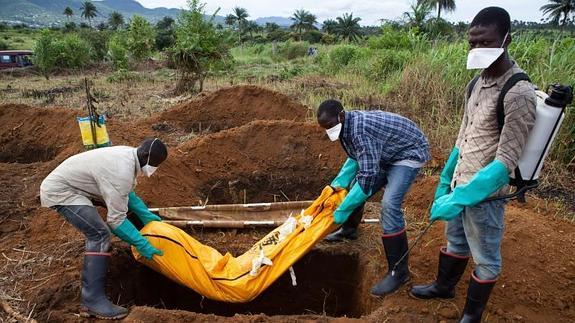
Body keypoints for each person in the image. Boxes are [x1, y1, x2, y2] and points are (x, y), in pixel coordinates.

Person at [409, 7, 536, 323]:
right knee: (456, 240)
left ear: (506, 39)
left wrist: (462, 197)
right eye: (473, 42)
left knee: (486, 258)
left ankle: (471, 316)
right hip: (461, 183)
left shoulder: (518, 92)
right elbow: (462, 137)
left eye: (486, 42)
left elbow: (505, 162)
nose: (477, 49)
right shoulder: (476, 84)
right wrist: (445, 181)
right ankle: (443, 287)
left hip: (485, 196)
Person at [40, 138, 168, 319]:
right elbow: (116, 221)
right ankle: (92, 301)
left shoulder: (129, 156)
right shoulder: (121, 171)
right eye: (155, 164)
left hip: (76, 185)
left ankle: (92, 299)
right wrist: (142, 244)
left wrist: (145, 214)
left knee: (100, 231)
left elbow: (126, 193)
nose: (155, 168)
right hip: (62, 191)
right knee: (99, 234)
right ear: (146, 155)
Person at [317, 99, 430, 296]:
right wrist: (336, 185)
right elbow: (355, 159)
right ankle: (349, 230)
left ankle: (399, 272)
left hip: (408, 152)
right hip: (386, 152)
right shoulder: (346, 127)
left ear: (341, 115)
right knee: (353, 187)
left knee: (389, 205)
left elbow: (368, 176)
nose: (329, 130)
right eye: (325, 128)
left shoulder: (360, 131)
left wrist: (343, 209)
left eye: (330, 125)